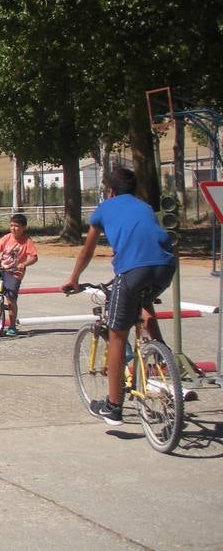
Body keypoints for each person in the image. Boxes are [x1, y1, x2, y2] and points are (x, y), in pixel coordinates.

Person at [62, 167, 176, 426]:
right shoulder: (144, 206)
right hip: (166, 266)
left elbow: (87, 251)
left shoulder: (105, 207)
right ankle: (162, 358)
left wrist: (73, 279)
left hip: (133, 269)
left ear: (110, 191)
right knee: (143, 302)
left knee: (117, 335)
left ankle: (113, 405)